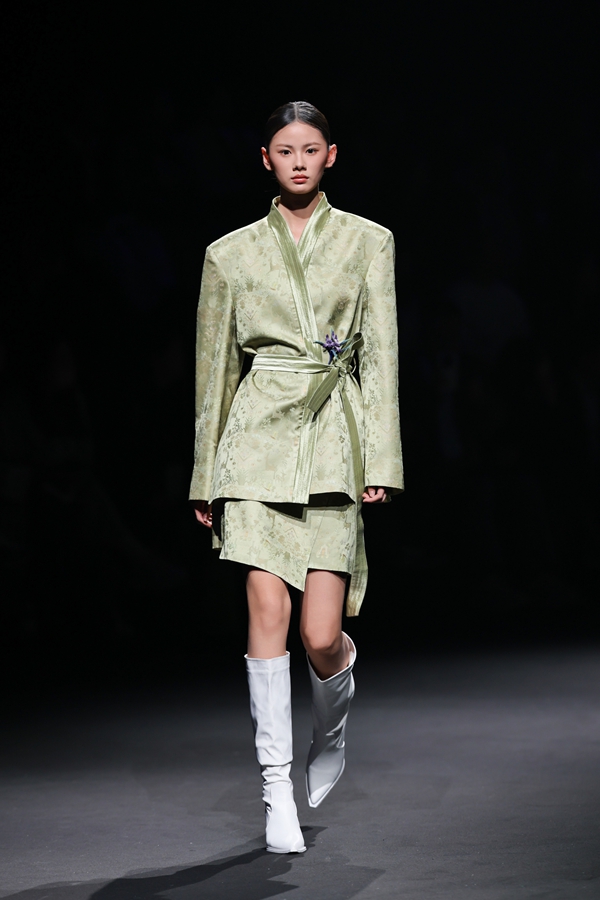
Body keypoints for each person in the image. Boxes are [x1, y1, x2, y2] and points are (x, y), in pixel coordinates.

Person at [190, 101, 404, 854]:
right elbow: (214, 371)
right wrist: (204, 476)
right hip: (255, 443)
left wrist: (382, 459)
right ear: (266, 159)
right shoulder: (230, 254)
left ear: (331, 155)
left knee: (319, 636)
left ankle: (333, 718)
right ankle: (275, 787)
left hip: (332, 439)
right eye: (286, 150)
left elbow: (381, 356)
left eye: (311, 149)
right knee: (265, 609)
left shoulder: (369, 241)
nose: (300, 162)